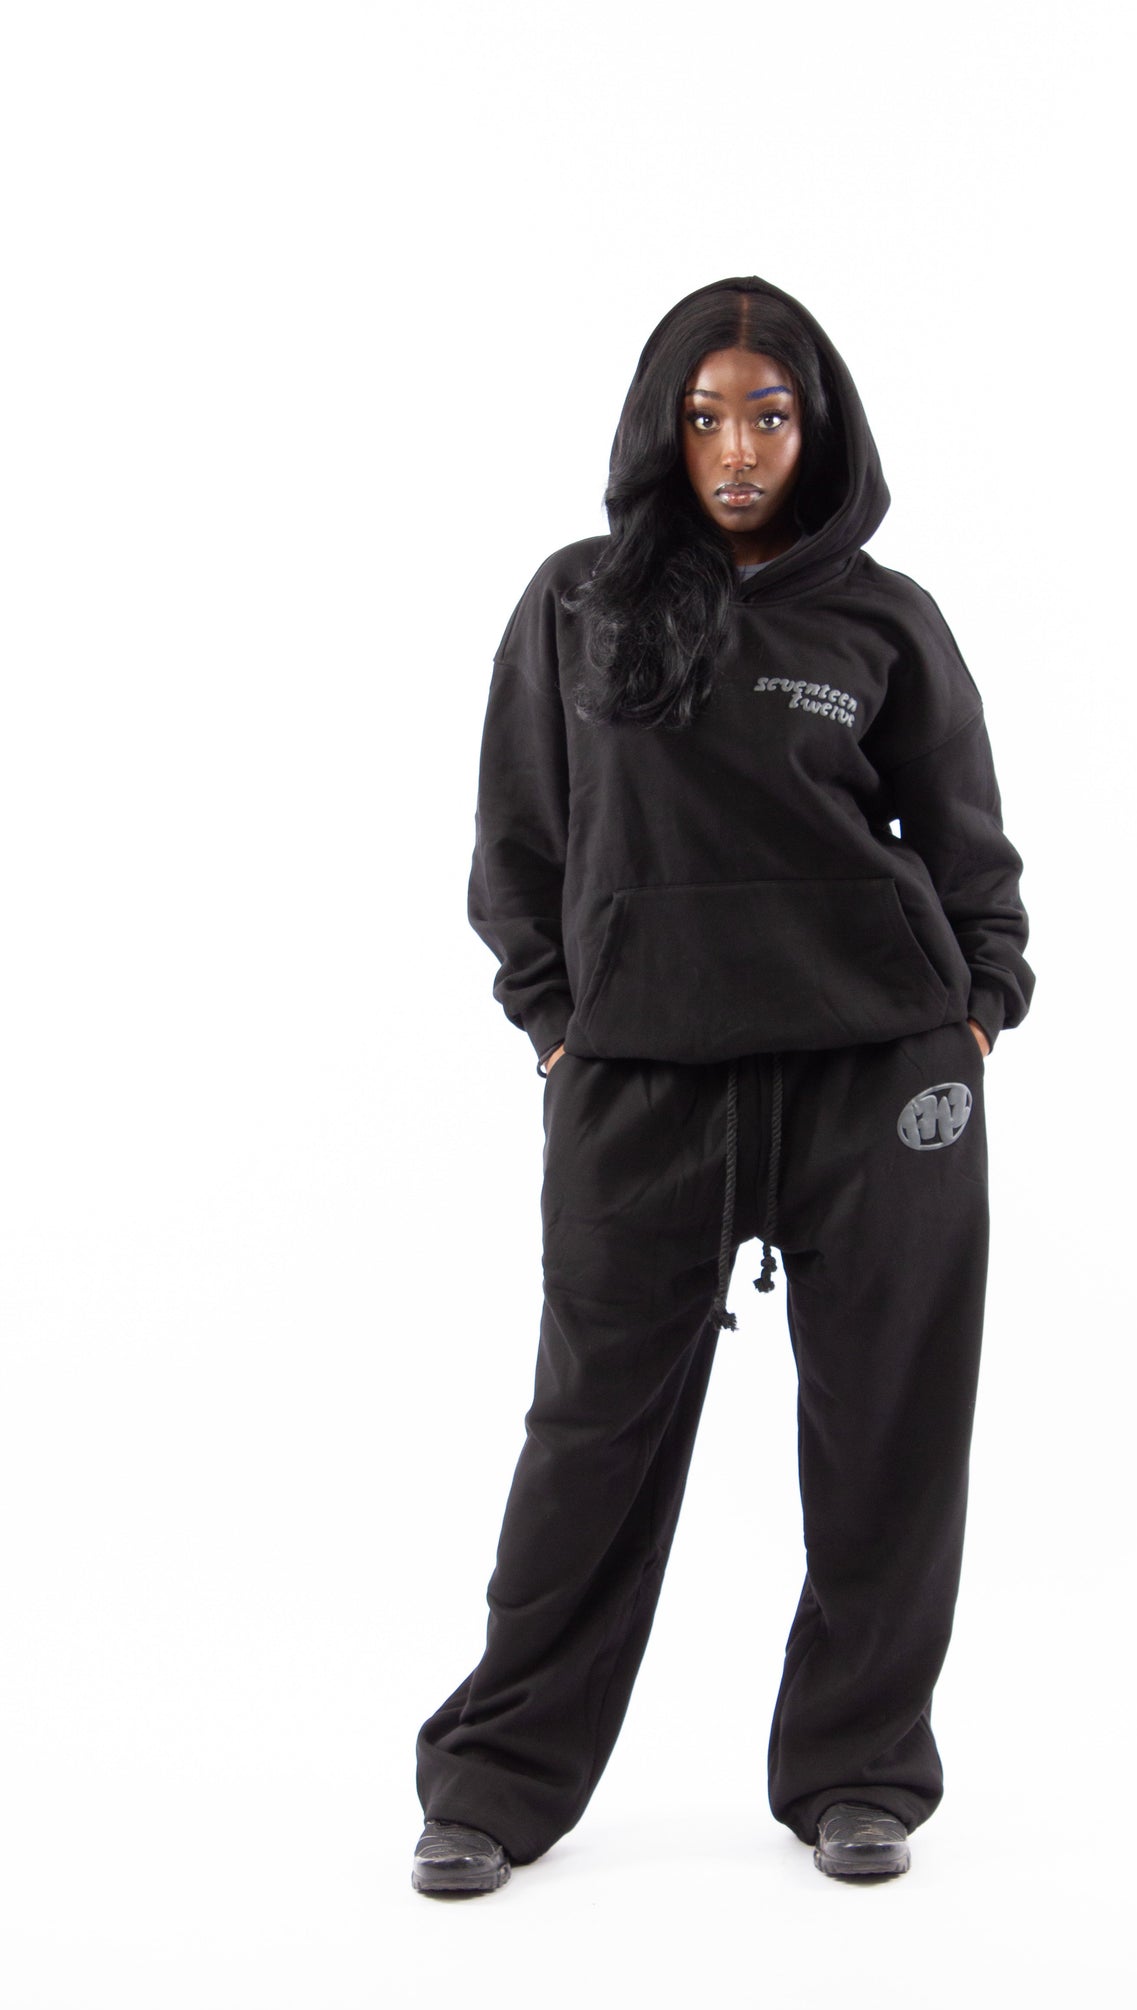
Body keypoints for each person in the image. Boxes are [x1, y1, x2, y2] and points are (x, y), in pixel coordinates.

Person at [411, 272, 1035, 1896]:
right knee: (589, 1440)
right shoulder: (579, 603)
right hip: (641, 1085)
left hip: (878, 1083)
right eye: (705, 418)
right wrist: (559, 1024)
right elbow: (517, 844)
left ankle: (859, 1774)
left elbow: (968, 847)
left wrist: (976, 1015)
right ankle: (495, 1780)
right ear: (661, 429)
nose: (739, 450)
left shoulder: (885, 619)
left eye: (768, 415)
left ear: (818, 427)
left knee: (891, 1439)